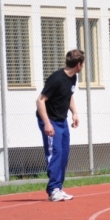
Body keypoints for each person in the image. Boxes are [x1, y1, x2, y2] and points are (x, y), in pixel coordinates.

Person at [36, 49, 85, 202]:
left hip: (62, 120)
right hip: (50, 120)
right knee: (55, 153)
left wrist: (74, 112)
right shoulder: (56, 79)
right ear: (78, 65)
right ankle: (53, 190)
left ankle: (58, 187)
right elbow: (40, 101)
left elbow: (69, 95)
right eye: (83, 63)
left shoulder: (73, 77)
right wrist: (47, 124)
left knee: (64, 154)